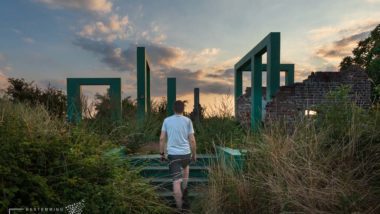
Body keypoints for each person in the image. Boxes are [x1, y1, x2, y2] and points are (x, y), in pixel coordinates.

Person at [159, 100, 197, 210]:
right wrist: (194, 155)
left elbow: (162, 139)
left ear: (173, 109)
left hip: (173, 155)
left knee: (176, 181)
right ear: (183, 109)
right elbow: (192, 141)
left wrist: (162, 154)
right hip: (186, 153)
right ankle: (184, 192)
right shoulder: (188, 121)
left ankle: (180, 209)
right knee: (185, 171)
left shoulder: (166, 121)